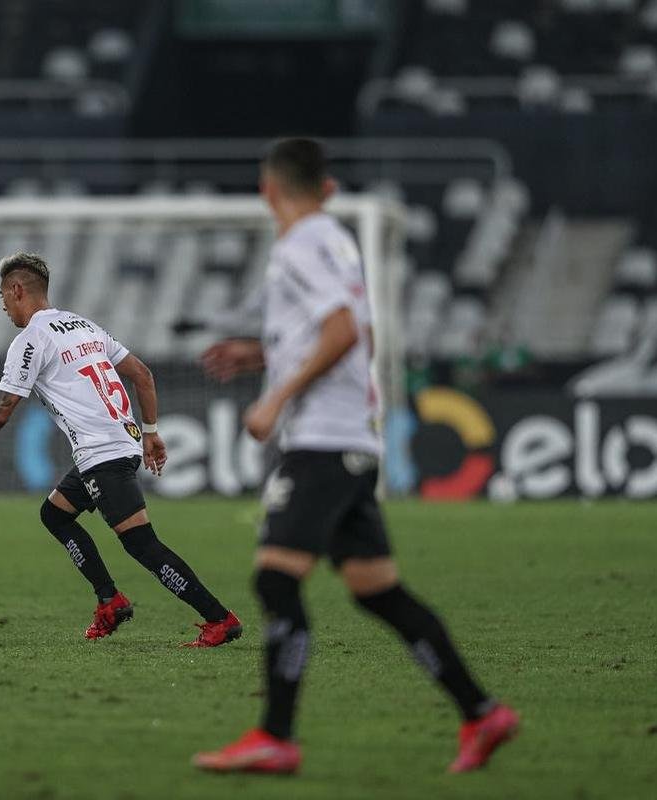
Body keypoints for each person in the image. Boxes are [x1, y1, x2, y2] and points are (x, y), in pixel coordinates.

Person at [193, 138, 519, 774]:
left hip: (323, 439)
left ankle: (276, 737)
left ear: (268, 189)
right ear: (329, 187)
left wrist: (273, 399)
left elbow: (343, 333)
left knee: (274, 578)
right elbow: (334, 331)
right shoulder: (336, 240)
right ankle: (482, 713)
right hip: (350, 441)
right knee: (377, 591)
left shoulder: (301, 243)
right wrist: (258, 356)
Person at [0, 252, 240, 647]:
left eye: (3, 296)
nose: (2, 305)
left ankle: (219, 618)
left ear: (17, 289)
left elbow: (0, 411)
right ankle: (109, 600)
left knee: (141, 543)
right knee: (55, 515)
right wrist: (151, 432)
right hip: (119, 444)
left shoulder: (31, 340)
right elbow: (142, 375)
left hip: (102, 454)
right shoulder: (84, 326)